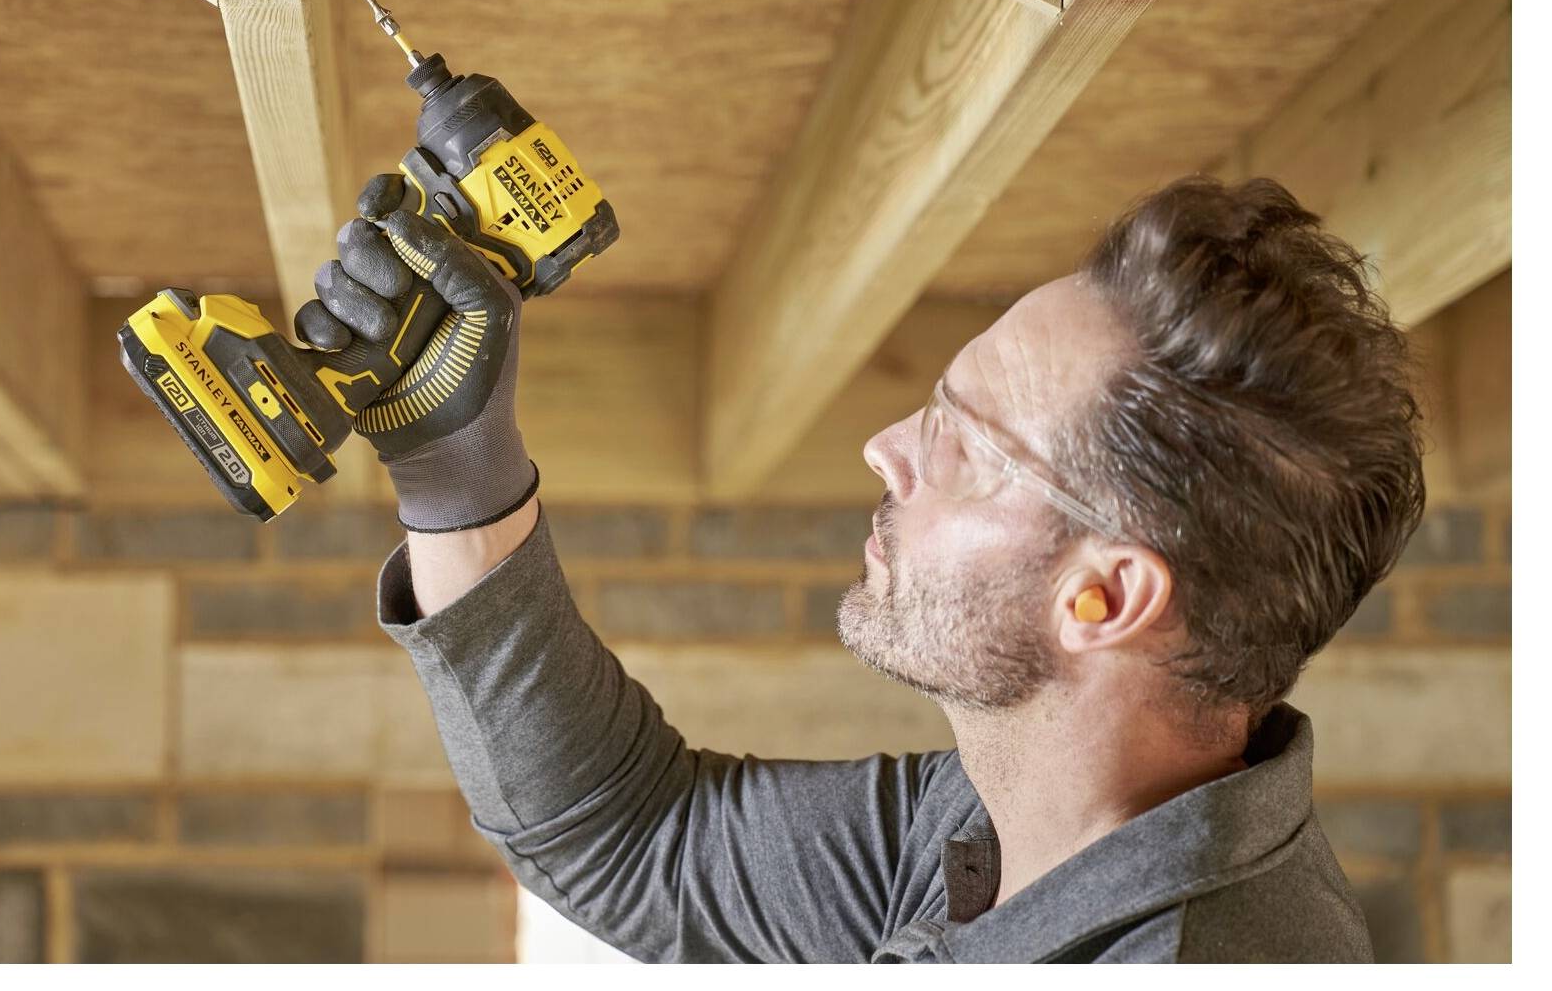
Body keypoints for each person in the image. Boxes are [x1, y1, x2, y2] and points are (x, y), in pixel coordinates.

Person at [292, 174, 1425, 963]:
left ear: (1106, 598)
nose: (886, 447)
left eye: (967, 443)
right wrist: (456, 471)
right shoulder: (995, 825)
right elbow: (637, 839)